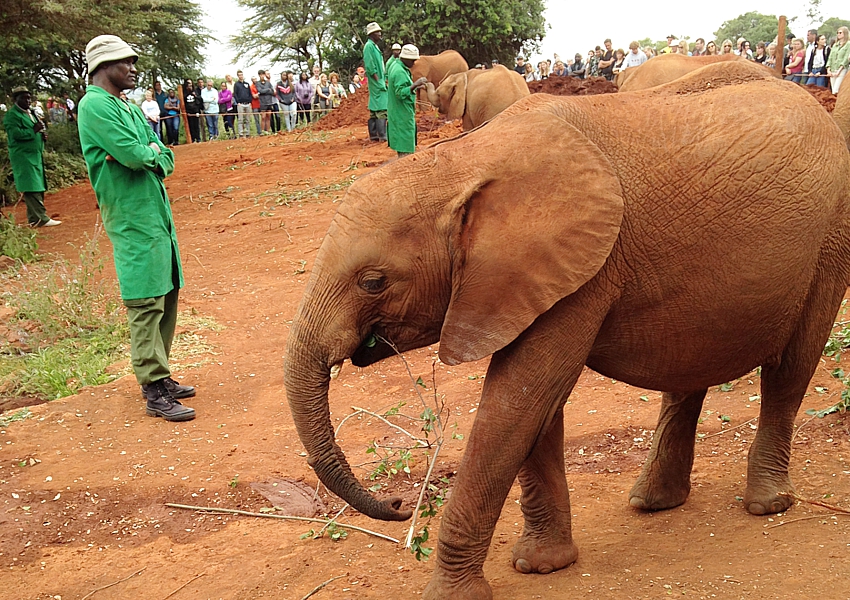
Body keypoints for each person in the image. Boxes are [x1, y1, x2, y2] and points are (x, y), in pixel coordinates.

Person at [78, 35, 195, 421]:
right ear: (104, 66)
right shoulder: (94, 106)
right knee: (145, 298)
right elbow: (133, 154)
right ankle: (153, 388)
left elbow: (159, 151)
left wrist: (152, 155)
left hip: (153, 210)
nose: (133, 68)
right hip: (130, 213)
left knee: (166, 290)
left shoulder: (123, 105)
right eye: (125, 62)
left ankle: (162, 375)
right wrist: (147, 154)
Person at [3, 87, 61, 227]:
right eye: (23, 98)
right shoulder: (12, 116)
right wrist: (33, 131)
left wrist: (41, 135)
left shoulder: (31, 112)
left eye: (29, 97)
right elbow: (15, 135)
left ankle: (35, 218)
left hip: (35, 155)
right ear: (14, 99)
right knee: (31, 186)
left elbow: (37, 128)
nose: (27, 101)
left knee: (38, 185)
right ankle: (41, 218)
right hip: (23, 156)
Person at [387, 44, 428, 157]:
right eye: (412, 60)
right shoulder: (399, 72)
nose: (414, 63)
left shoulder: (396, 65)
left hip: (398, 110)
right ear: (405, 58)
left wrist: (415, 86)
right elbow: (400, 93)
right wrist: (415, 84)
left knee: (404, 140)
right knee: (405, 144)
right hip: (402, 113)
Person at [363, 22, 388, 142]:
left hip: (379, 79)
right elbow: (370, 65)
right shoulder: (368, 46)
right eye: (377, 32)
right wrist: (378, 80)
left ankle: (374, 135)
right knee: (381, 107)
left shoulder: (374, 46)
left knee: (374, 107)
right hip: (376, 81)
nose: (380, 34)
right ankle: (382, 135)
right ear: (372, 34)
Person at [827, 26, 850, 94]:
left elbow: (846, 58)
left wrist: (839, 71)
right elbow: (830, 57)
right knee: (833, 89)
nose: (838, 34)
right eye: (837, 33)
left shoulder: (848, 44)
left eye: (840, 33)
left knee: (836, 90)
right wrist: (828, 69)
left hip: (841, 69)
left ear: (845, 34)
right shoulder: (835, 45)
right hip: (833, 69)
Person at [233, 70, 253, 137]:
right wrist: (238, 102)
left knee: (247, 119)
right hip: (240, 104)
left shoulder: (247, 84)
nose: (241, 76)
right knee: (240, 119)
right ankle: (241, 133)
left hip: (247, 103)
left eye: (242, 75)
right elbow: (235, 94)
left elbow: (250, 93)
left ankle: (248, 133)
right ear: (238, 76)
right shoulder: (236, 84)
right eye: (239, 75)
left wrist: (250, 101)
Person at [182, 79, 202, 143]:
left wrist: (195, 95)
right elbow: (183, 103)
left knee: (196, 125)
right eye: (188, 86)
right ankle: (193, 139)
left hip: (195, 111)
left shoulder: (195, 91)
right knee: (191, 126)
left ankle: (198, 138)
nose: (190, 87)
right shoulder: (184, 93)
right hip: (189, 112)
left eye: (191, 85)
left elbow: (200, 99)